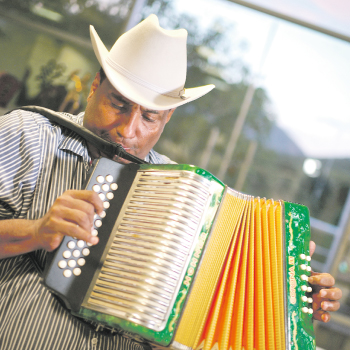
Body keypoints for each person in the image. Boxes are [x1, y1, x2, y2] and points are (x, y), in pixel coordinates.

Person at [0, 14, 342, 350]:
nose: (128, 130)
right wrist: (34, 233)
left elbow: (206, 313)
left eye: (149, 116)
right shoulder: (27, 134)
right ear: (94, 86)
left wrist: (289, 303)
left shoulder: (180, 191)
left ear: (168, 117)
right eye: (118, 104)